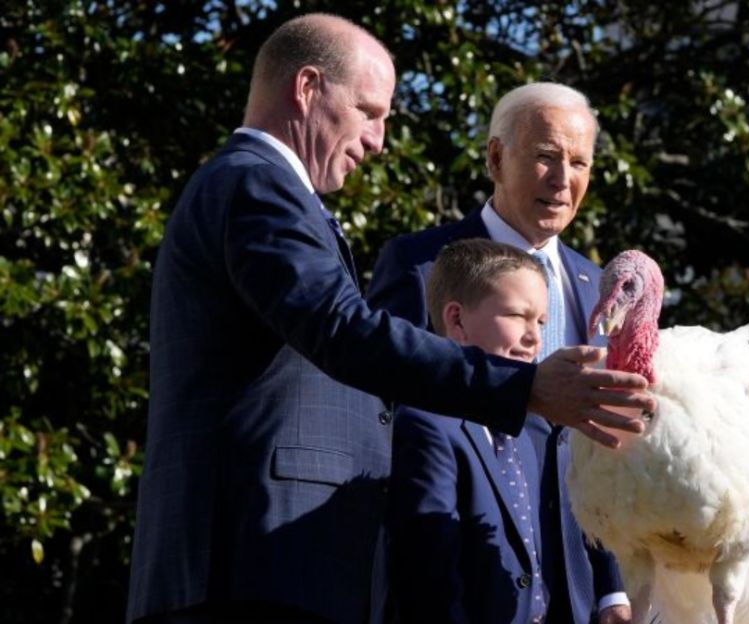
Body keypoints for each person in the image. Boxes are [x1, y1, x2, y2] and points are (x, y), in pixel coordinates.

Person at [126, 15, 652, 624]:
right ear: (306, 88)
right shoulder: (254, 185)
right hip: (251, 563)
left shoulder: (266, 190)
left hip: (277, 565)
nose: (377, 140)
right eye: (368, 111)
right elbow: (345, 329)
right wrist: (526, 384)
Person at [365, 82, 631, 624]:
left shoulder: (599, 286)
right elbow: (383, 421)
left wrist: (612, 590)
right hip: (462, 583)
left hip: (580, 594)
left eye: (579, 163)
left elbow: (604, 447)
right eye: (545, 157)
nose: (563, 181)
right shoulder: (420, 266)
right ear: (495, 156)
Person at [389, 239, 558, 623]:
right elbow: (429, 577)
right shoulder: (426, 425)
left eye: (542, 322)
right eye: (518, 316)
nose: (535, 337)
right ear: (457, 320)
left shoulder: (530, 431)